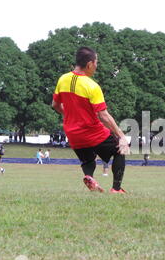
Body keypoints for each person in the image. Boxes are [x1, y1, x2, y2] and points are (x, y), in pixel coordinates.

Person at [52, 46, 130, 193]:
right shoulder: (91, 86)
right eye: (96, 63)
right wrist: (121, 136)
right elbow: (103, 115)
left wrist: (69, 116)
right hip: (92, 132)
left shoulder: (63, 79)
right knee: (120, 150)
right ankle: (116, 189)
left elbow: (55, 104)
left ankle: (89, 176)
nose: (96, 66)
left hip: (72, 133)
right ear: (89, 64)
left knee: (87, 160)